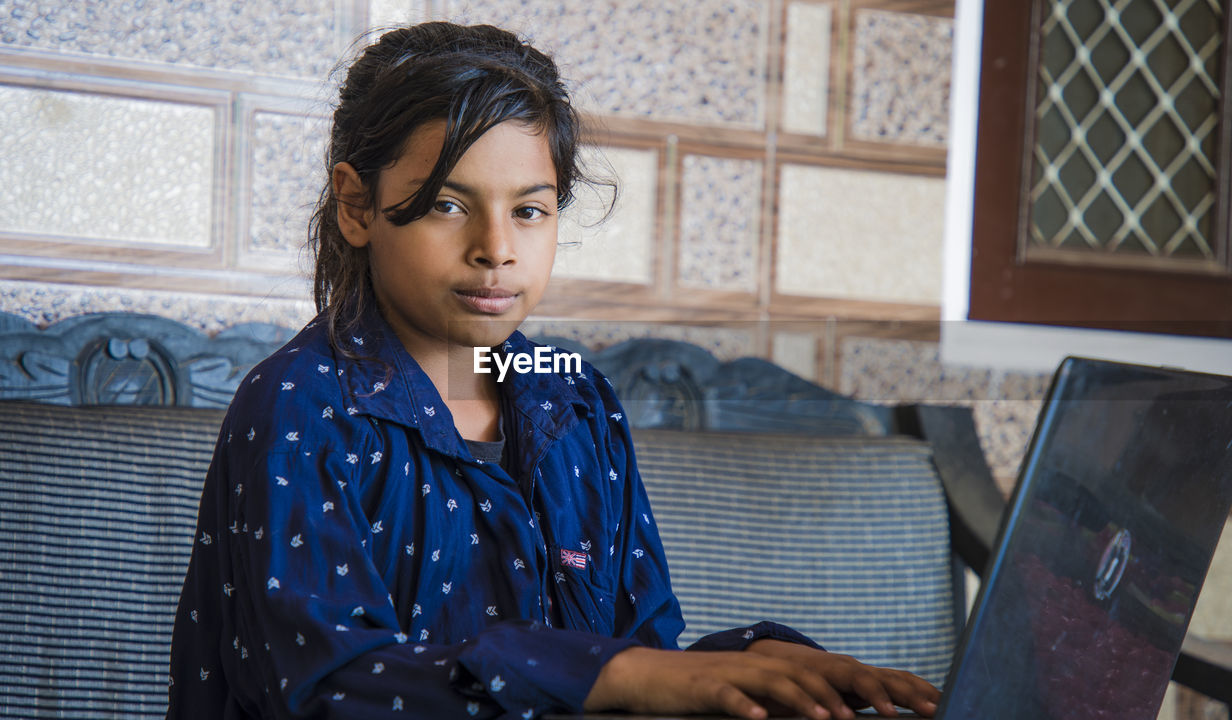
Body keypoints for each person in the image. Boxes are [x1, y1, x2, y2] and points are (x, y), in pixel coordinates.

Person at [167, 21, 941, 720]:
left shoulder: (576, 400)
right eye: (446, 204)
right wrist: (615, 677)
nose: (495, 247)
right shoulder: (300, 407)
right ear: (357, 206)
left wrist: (746, 666)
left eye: (530, 211)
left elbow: (638, 655)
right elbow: (326, 690)